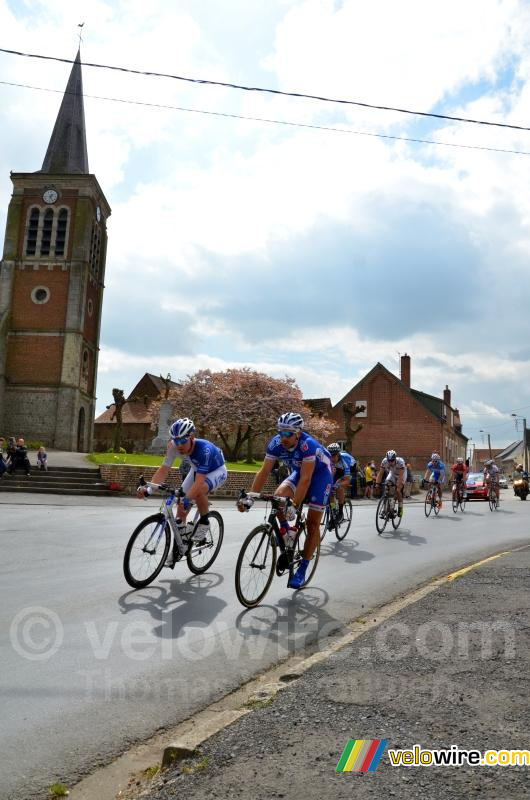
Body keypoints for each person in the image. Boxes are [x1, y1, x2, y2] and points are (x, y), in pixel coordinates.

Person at [238, 412, 332, 590]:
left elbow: (306, 480)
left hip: (320, 476)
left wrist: (294, 506)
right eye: (280, 432)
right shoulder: (275, 443)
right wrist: (250, 496)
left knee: (312, 524)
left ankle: (302, 569)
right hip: (299, 472)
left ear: (298, 433)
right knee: (279, 496)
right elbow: (264, 471)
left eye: (288, 433)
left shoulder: (307, 445)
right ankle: (288, 532)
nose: (283, 437)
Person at [137, 418, 227, 567]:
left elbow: (198, 483)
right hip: (197, 469)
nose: (179, 446)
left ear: (191, 437)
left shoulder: (204, 449)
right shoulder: (173, 446)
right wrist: (149, 489)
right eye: (176, 441)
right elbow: (164, 469)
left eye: (182, 441)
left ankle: (204, 521)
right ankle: (180, 545)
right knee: (180, 509)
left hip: (216, 471)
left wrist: (187, 499)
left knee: (196, 493)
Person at [327, 443, 355, 519]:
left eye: (334, 456)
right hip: (338, 469)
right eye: (330, 456)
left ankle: (340, 513)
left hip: (351, 468)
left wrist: (338, 484)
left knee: (339, 487)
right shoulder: (329, 459)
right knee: (330, 490)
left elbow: (347, 480)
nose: (332, 458)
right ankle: (333, 509)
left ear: (338, 454)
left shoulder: (344, 459)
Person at [375, 450, 406, 517]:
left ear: (395, 459)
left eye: (392, 460)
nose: (390, 462)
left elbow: (400, 477)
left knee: (398, 490)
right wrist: (377, 483)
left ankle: (400, 508)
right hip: (392, 473)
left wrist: (398, 485)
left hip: (401, 474)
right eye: (389, 460)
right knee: (387, 486)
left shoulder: (400, 462)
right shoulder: (384, 461)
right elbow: (380, 474)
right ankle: (385, 509)